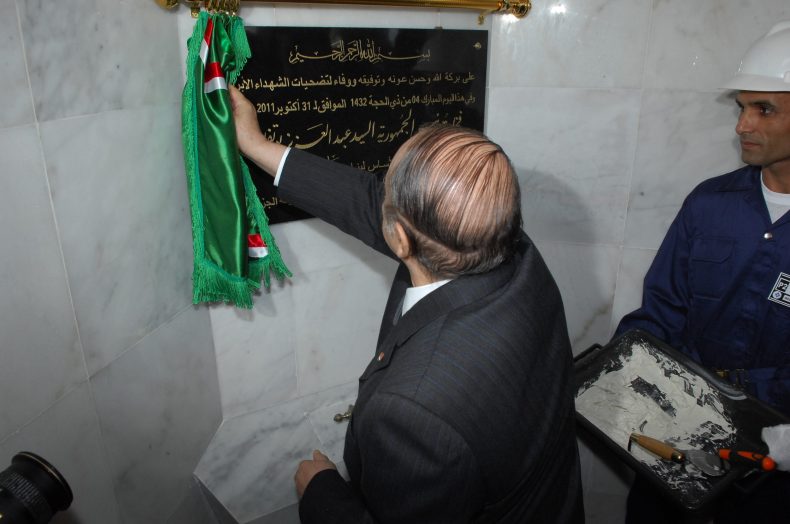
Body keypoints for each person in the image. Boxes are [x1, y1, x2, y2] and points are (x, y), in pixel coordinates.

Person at [230, 85, 584, 523]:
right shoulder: (511, 251)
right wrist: (257, 146)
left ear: (399, 238)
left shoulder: (413, 415)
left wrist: (321, 494)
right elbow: (366, 202)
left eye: (388, 195)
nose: (378, 196)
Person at [615, 21, 790, 523]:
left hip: (770, 474)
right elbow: (658, 311)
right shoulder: (711, 203)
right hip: (678, 445)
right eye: (742, 108)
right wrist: (629, 383)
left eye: (765, 109)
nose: (743, 126)